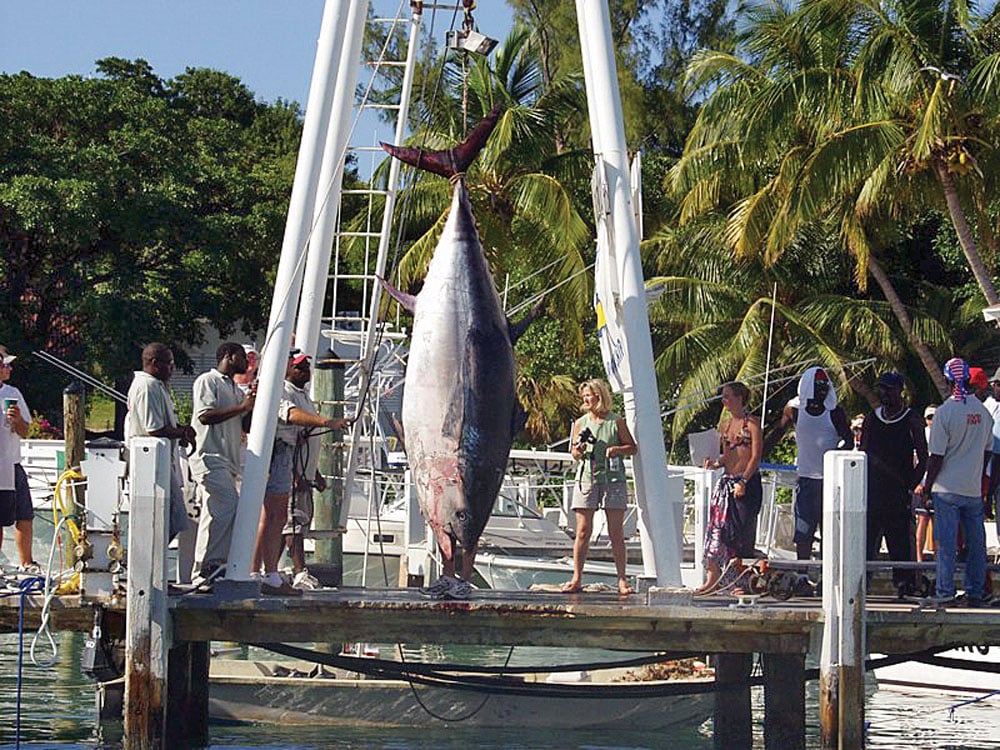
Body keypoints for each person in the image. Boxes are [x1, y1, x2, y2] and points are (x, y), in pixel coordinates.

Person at [250, 352, 348, 593]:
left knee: (280, 519)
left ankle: (268, 572)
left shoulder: (304, 395)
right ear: (287, 369)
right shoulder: (281, 389)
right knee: (281, 519)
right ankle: (277, 572)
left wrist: (314, 474)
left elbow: (302, 433)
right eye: (299, 367)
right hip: (282, 456)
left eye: (307, 366)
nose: (305, 371)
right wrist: (327, 422)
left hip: (296, 462)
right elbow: (291, 416)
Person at [915, 358, 993, 606]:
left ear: (948, 381)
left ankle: (945, 593)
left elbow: (935, 457)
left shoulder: (945, 413)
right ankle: (975, 592)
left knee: (946, 545)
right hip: (972, 489)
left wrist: (927, 488)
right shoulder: (982, 412)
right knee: (976, 546)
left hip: (946, 489)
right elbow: (988, 452)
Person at [562, 378, 638, 595]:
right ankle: (576, 578)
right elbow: (575, 454)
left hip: (613, 479)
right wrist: (579, 448)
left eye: (590, 395)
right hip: (587, 478)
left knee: (616, 531)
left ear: (600, 396)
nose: (587, 399)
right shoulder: (580, 423)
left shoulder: (616, 421)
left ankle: (622, 580)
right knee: (583, 530)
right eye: (584, 396)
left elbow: (632, 448)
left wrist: (616, 450)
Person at [190, 343, 255, 582]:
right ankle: (211, 564)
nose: (246, 362)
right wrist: (241, 407)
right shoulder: (208, 381)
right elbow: (205, 416)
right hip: (209, 456)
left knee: (215, 512)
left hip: (228, 461)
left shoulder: (235, 389)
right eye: (241, 356)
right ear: (229, 356)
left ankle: (206, 568)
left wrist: (251, 405)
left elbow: (244, 424)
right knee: (227, 503)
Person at [859, 371, 927, 595]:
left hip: (897, 494)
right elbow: (863, 454)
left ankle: (905, 585)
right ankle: (861, 584)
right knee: (867, 542)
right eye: (882, 388)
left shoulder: (911, 418)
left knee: (900, 542)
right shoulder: (871, 418)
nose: (884, 393)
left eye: (889, 388)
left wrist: (910, 485)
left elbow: (924, 457)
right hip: (873, 492)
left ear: (900, 390)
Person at [696, 381, 763, 594]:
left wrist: (743, 481)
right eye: (723, 397)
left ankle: (739, 581)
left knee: (740, 534)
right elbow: (727, 455)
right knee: (717, 531)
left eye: (727, 396)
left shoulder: (751, 424)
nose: (724, 401)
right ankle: (713, 577)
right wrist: (715, 463)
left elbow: (755, 457)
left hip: (746, 482)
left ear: (739, 398)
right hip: (727, 482)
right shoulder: (725, 426)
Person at [125, 343, 196, 542]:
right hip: (151, 465)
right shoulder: (147, 386)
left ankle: (153, 559)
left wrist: (179, 431)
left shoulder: (155, 385)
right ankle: (146, 562)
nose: (173, 369)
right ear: (155, 363)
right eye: (170, 364)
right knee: (172, 519)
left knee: (170, 520)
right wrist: (183, 431)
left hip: (162, 463)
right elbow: (154, 428)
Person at [780, 366, 853, 561]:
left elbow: (849, 440)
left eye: (824, 386)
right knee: (803, 531)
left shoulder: (835, 413)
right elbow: (775, 434)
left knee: (828, 529)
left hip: (829, 481)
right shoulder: (793, 410)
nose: (822, 390)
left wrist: (835, 454)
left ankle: (825, 575)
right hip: (805, 479)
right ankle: (802, 573)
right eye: (817, 386)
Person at [0, 345, 39, 576]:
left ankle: (27, 563)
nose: (10, 368)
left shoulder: (12, 393)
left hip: (12, 463)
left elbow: (26, 431)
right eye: (5, 364)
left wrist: (17, 421)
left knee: (24, 515)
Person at [915, 404, 937, 562]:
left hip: (938, 485)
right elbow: (915, 460)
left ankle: (938, 558)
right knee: (922, 520)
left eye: (935, 417)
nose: (932, 420)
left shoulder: (944, 434)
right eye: (929, 417)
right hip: (922, 484)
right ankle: (919, 558)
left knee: (937, 524)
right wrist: (917, 483)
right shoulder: (921, 434)